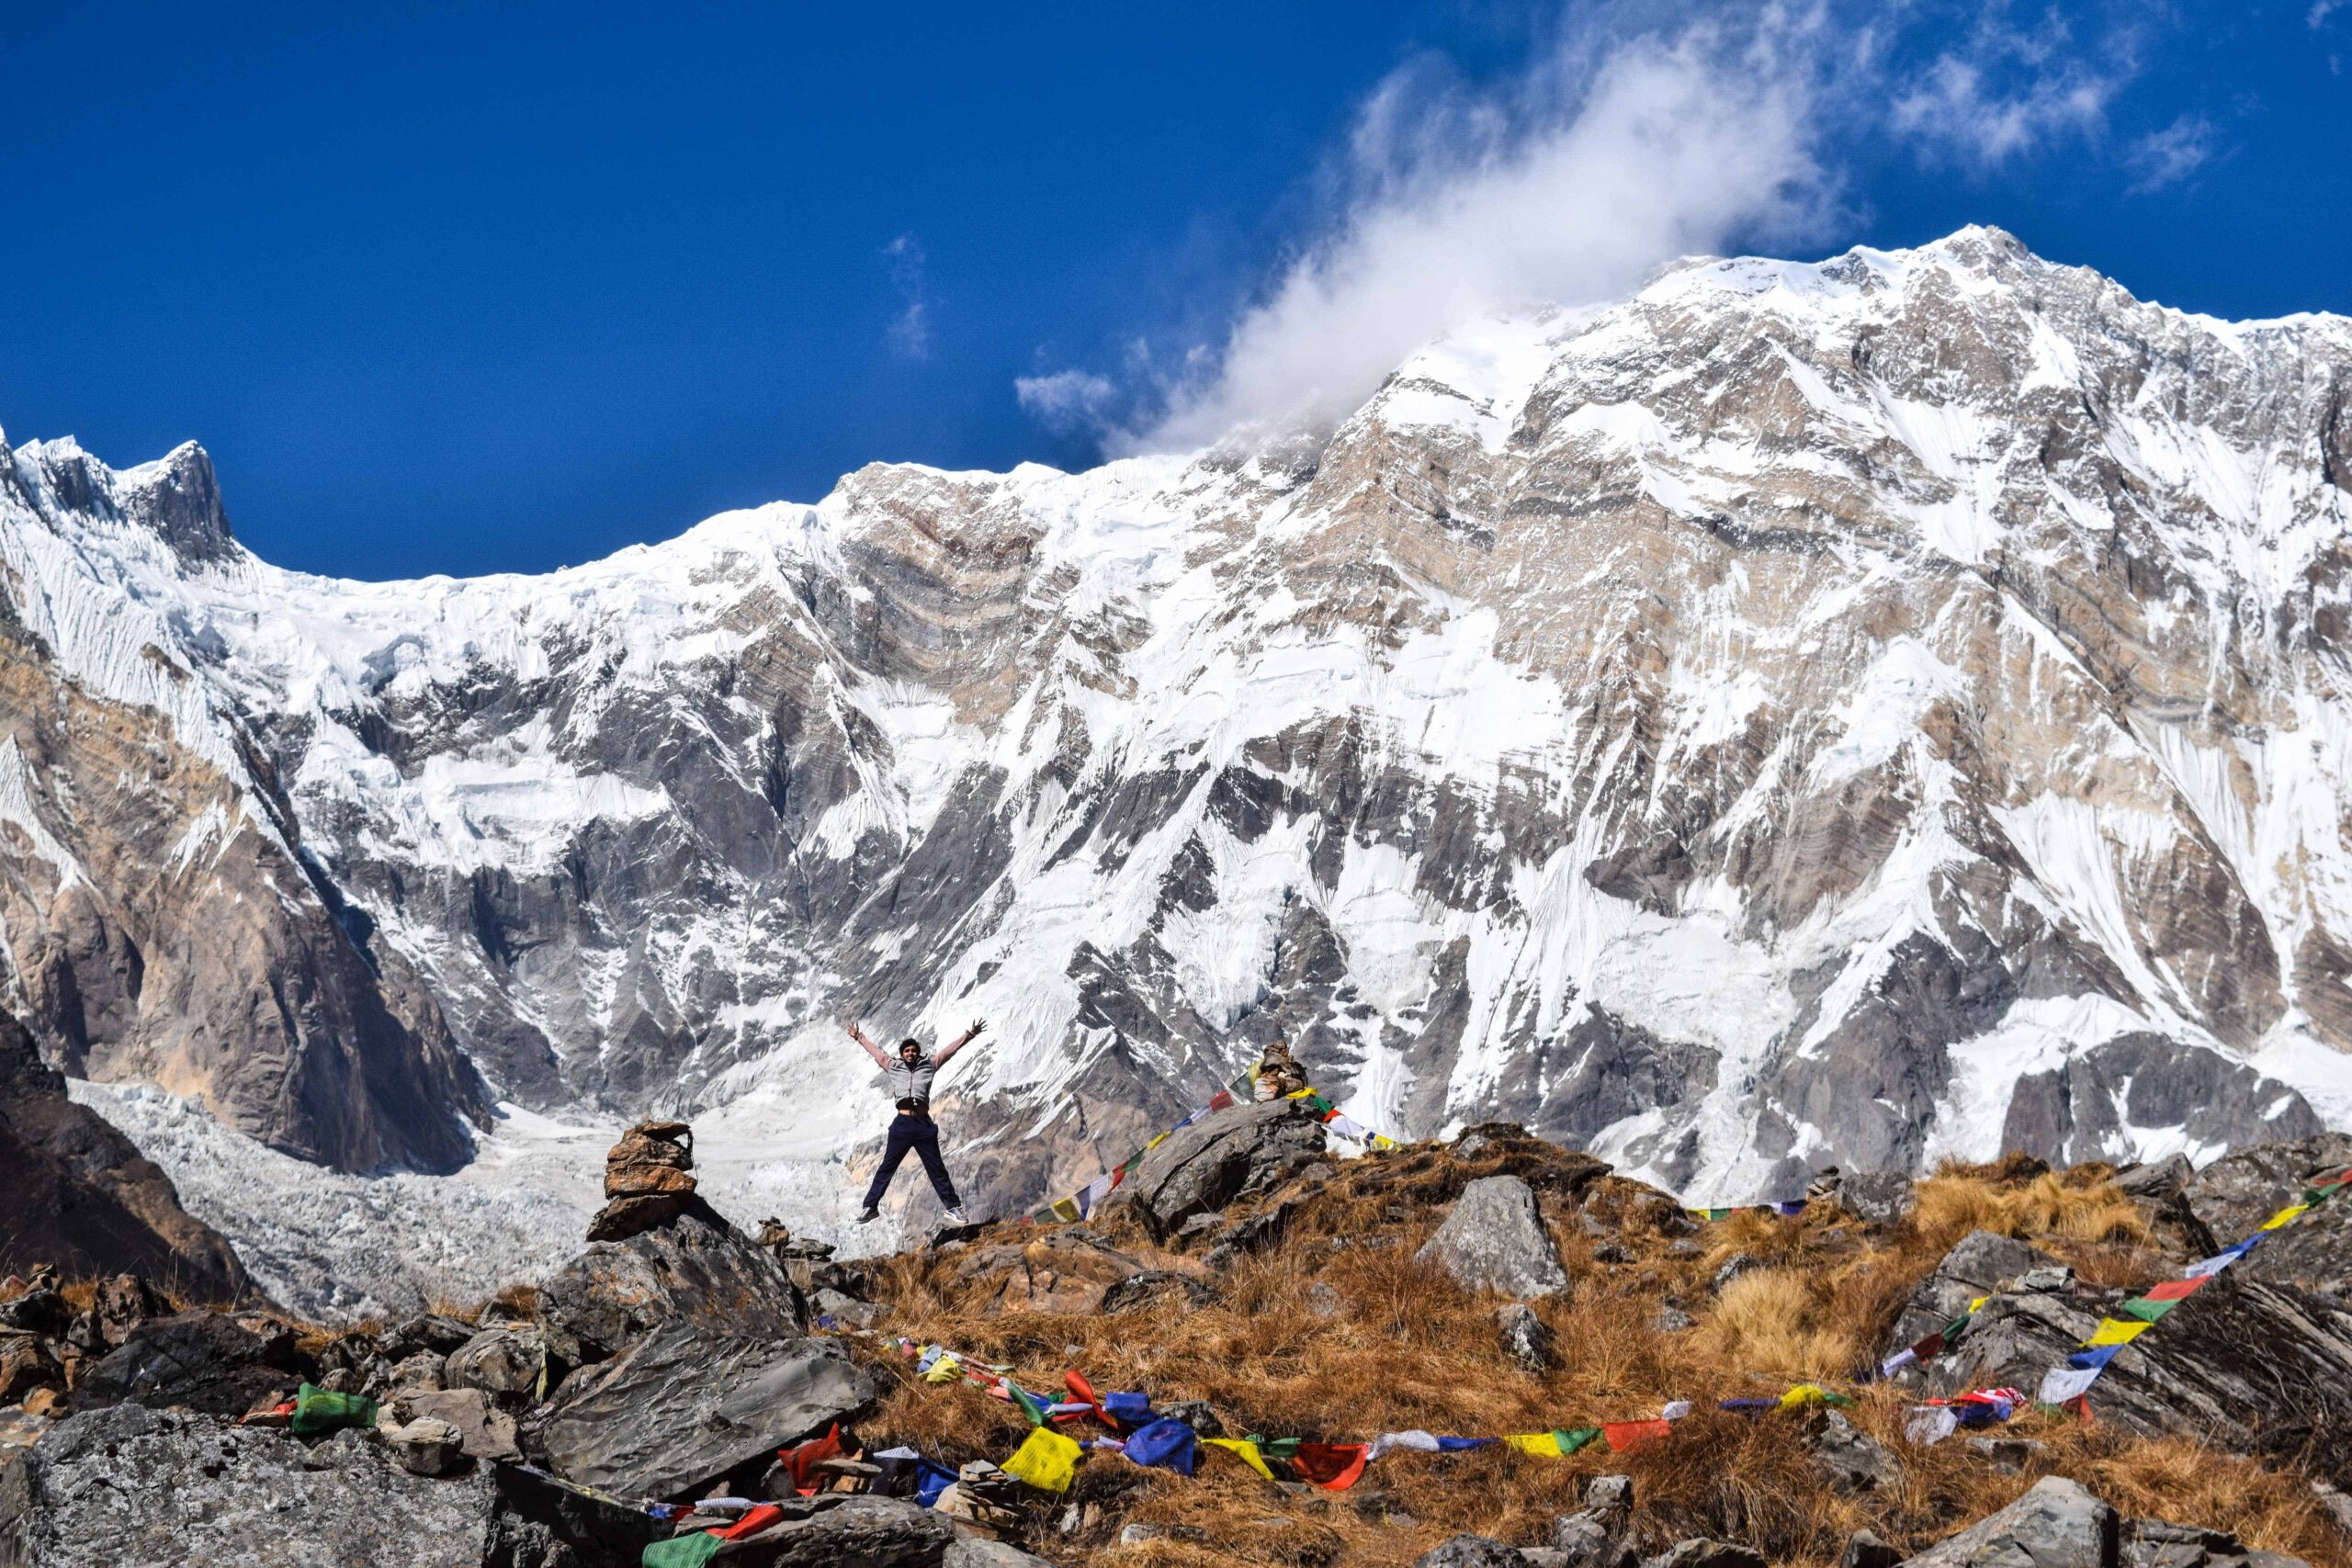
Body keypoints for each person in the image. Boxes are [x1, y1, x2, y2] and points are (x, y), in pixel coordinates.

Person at [845, 1017, 985, 1225]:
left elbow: (948, 1051)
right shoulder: (893, 1066)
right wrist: (859, 1037)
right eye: (907, 1051)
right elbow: (876, 1052)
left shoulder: (929, 1066)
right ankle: (871, 1207)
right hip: (902, 1125)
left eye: (913, 1050)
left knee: (936, 1168)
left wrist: (969, 1035)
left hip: (923, 1125)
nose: (910, 1053)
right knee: (887, 1167)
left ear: (918, 1052)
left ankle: (953, 1208)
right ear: (902, 1054)